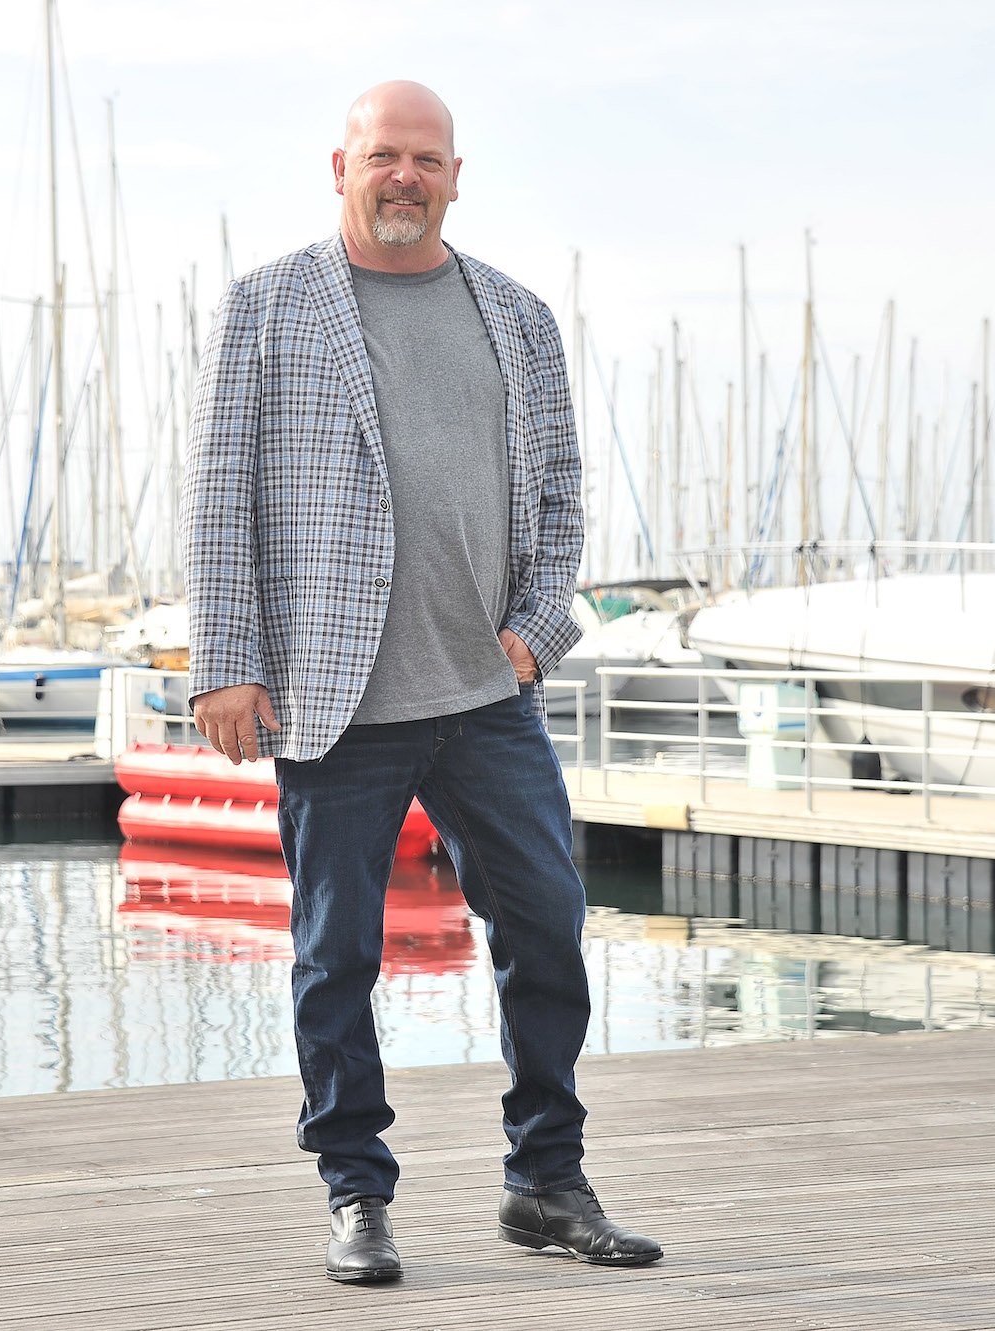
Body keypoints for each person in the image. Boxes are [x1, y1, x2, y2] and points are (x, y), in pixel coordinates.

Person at [179, 80, 662, 1284]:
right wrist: (225, 665)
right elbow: (217, 501)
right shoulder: (266, 307)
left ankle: (545, 1178)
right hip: (332, 701)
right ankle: (355, 1190)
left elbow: (558, 497)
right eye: (382, 154)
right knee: (333, 953)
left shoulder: (516, 312)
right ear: (337, 165)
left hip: (483, 696)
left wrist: (537, 632)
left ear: (456, 175)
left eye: (425, 158)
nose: (404, 174)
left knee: (546, 925)